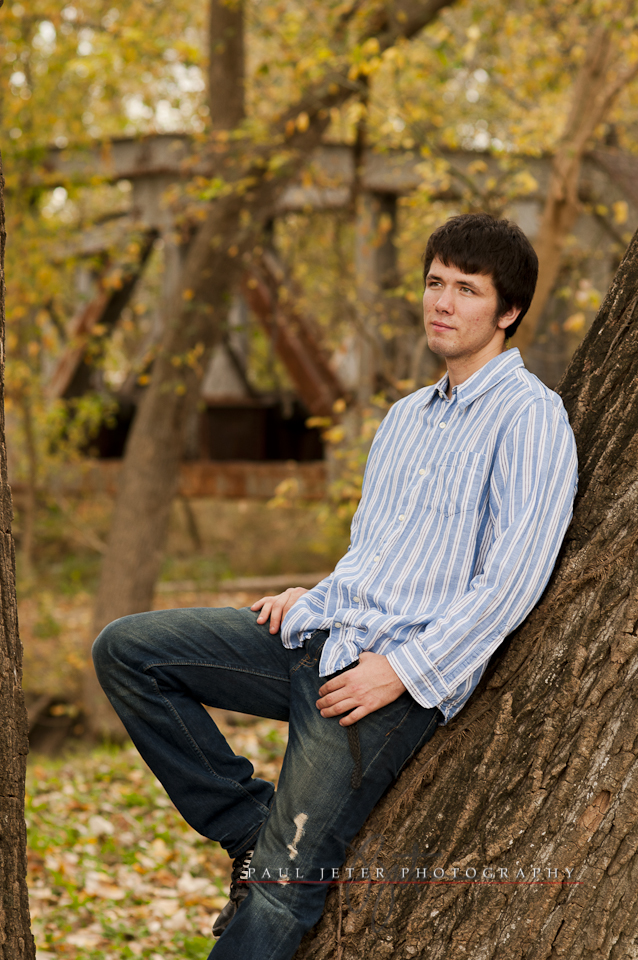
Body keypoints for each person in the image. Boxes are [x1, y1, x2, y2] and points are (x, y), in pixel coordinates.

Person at [93, 213, 578, 960]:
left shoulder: (530, 416)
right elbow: (375, 554)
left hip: (382, 683)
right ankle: (247, 824)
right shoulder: (406, 418)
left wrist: (404, 671)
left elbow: (513, 580)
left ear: (507, 311)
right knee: (128, 652)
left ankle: (269, 858)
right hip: (317, 635)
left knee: (281, 889)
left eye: (467, 290)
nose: (442, 302)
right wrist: (313, 596)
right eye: (435, 283)